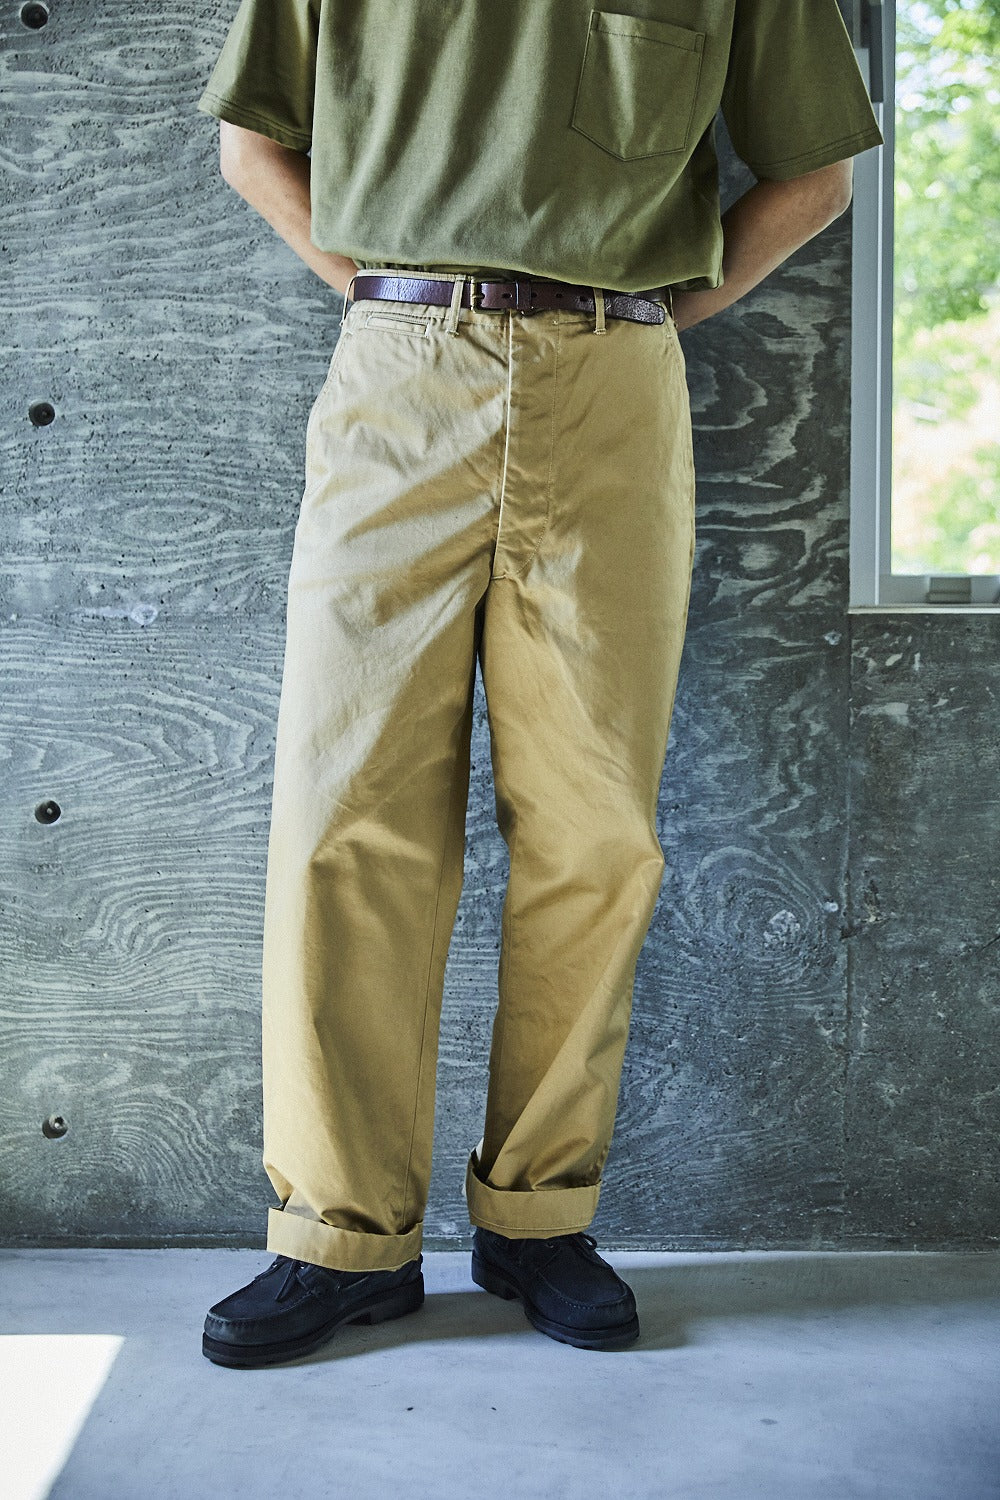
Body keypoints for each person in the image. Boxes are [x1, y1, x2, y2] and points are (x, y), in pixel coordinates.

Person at [195, 0, 883, 1368]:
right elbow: (250, 146)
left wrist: (655, 315)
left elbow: (817, 176)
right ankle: (341, 1237)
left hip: (615, 378)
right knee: (342, 817)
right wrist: (392, 303)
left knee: (595, 829)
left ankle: (538, 1219)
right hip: (398, 376)